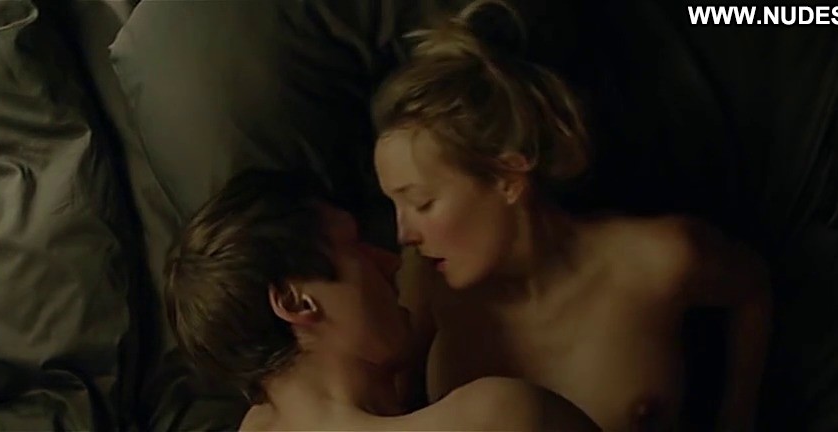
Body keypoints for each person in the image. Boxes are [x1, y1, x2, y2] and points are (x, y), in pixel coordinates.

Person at [372, 1, 772, 430]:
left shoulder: (659, 260)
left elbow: (752, 289)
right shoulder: (426, 283)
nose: (404, 233)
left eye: (422, 203)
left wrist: (738, 416)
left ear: (507, 178)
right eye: (395, 204)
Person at [163, 169, 599, 431]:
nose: (390, 263)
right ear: (297, 303)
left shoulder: (255, 424)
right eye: (355, 248)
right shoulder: (497, 418)